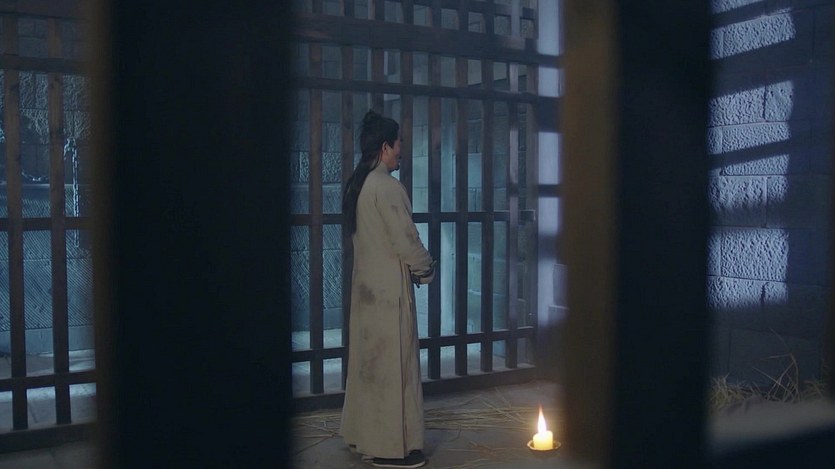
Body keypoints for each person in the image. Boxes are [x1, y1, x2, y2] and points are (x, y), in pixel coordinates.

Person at [340, 110, 436, 469]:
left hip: (366, 291)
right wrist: (426, 268)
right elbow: (406, 240)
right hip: (389, 296)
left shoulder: (358, 184)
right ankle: (388, 450)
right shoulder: (387, 187)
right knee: (392, 372)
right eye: (398, 145)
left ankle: (361, 436)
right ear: (384, 147)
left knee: (367, 368)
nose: (401, 151)